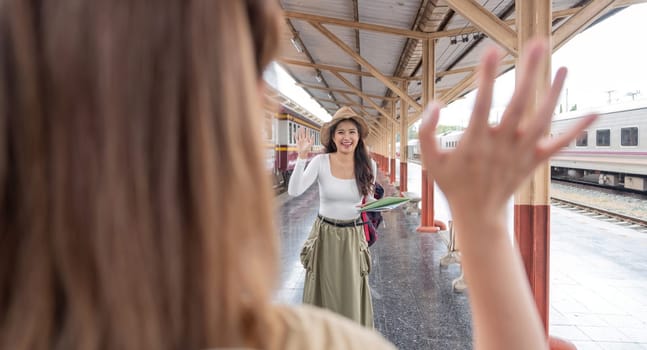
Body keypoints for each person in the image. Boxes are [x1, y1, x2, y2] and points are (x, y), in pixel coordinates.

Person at [0, 0, 596, 349]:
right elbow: (305, 193)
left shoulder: (360, 164)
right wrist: (485, 227)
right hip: (328, 242)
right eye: (248, 75)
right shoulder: (301, 339)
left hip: (348, 241)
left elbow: (369, 196)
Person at [287, 106, 378, 328]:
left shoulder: (368, 165)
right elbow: (294, 191)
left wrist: (387, 205)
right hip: (325, 235)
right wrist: (301, 157)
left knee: (351, 294)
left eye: (352, 132)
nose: (347, 137)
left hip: (354, 236)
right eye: (341, 132)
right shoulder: (321, 162)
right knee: (323, 294)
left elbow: (369, 200)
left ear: (358, 137)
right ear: (333, 137)